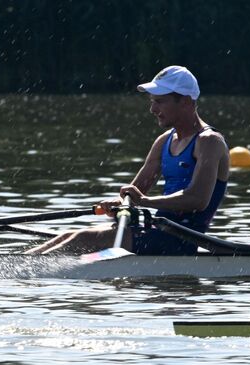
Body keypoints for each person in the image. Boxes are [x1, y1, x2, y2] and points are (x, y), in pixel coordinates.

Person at [25, 65, 229, 256]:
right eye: (152, 101)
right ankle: (18, 264)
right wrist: (118, 204)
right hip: (158, 231)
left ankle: (24, 274)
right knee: (69, 236)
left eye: (159, 101)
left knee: (83, 239)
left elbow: (197, 200)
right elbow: (135, 192)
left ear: (185, 101)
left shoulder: (209, 142)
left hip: (181, 240)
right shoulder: (164, 141)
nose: (152, 109)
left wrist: (144, 201)